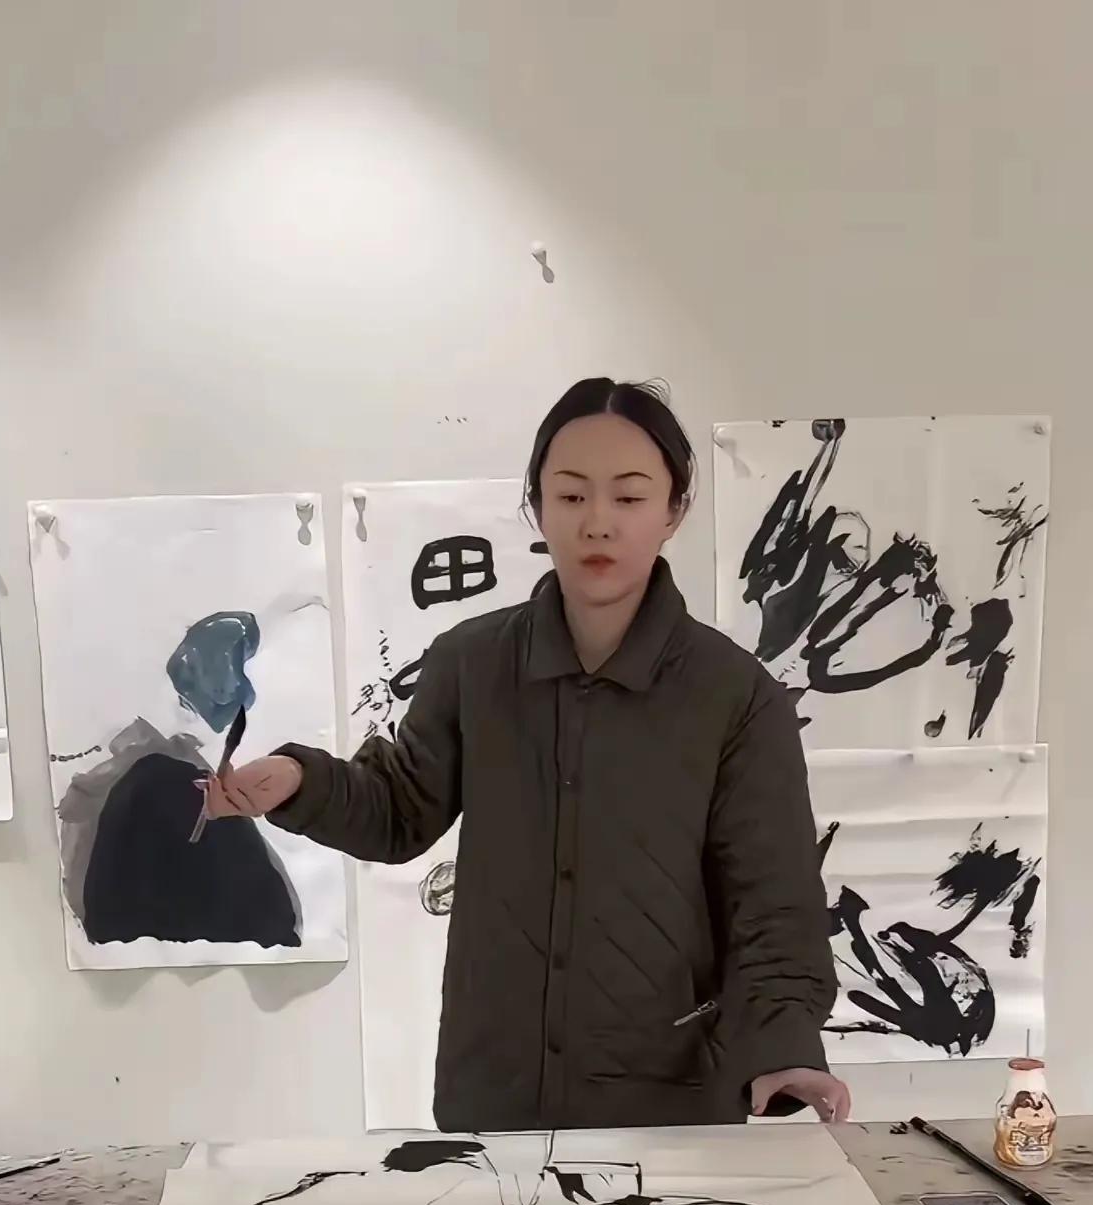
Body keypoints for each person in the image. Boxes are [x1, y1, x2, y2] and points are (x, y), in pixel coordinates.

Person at [207, 377, 848, 1131]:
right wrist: (299, 781)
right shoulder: (472, 663)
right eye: (571, 495)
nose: (598, 522)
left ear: (674, 510)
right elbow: (400, 809)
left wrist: (785, 1046)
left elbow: (772, 901)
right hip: (495, 1094)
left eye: (629, 497)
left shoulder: (735, 695)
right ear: (537, 508)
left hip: (670, 1103)